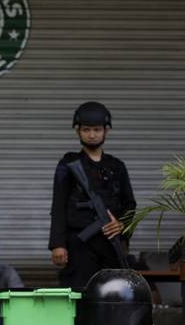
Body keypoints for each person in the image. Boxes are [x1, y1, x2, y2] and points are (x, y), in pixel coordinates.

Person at [48, 101, 136, 288]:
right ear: (78, 130)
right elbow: (59, 204)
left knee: (113, 293)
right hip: (79, 244)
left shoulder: (116, 166)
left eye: (97, 129)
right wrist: (58, 244)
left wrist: (121, 225)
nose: (92, 135)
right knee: (79, 294)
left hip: (110, 243)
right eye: (87, 130)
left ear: (106, 131)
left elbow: (130, 204)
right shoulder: (69, 164)